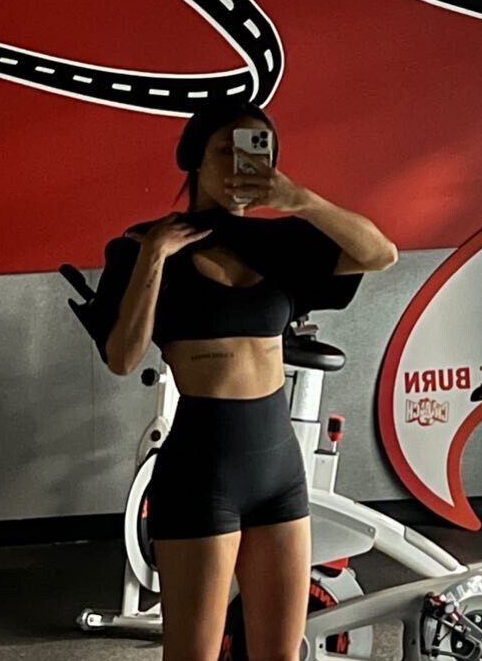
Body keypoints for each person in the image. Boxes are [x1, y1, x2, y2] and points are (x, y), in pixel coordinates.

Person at [90, 99, 398, 660]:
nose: (241, 166)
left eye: (256, 153)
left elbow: (381, 254)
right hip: (200, 474)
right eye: (225, 151)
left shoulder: (283, 243)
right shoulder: (141, 246)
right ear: (194, 158)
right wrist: (154, 256)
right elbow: (122, 357)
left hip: (279, 473)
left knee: (281, 654)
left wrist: (301, 200)